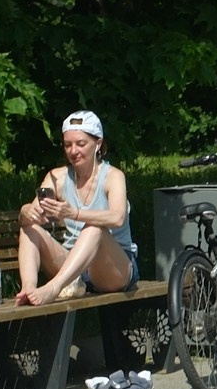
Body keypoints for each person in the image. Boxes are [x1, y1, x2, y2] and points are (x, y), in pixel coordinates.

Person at [16, 110, 139, 306]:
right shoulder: (57, 177)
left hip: (114, 268)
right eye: (68, 145)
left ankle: (53, 288)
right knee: (30, 228)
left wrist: (74, 214)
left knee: (94, 228)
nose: (74, 151)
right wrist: (25, 212)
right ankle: (28, 288)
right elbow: (33, 215)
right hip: (74, 271)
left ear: (98, 144)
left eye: (81, 144)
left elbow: (118, 218)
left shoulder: (113, 176)